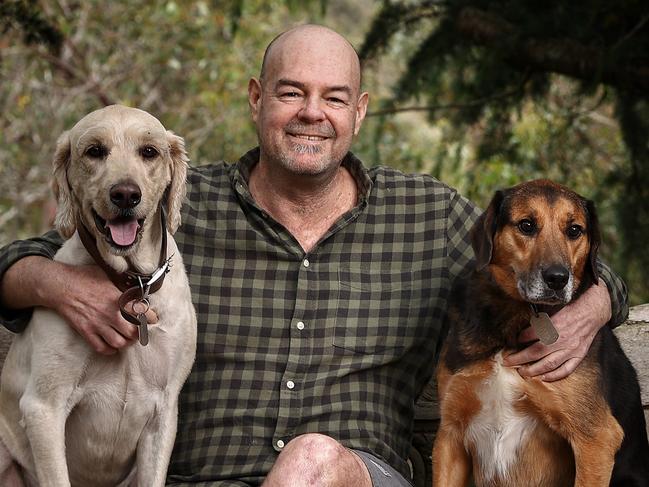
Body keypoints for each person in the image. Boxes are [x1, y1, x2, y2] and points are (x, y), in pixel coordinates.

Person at [0, 24, 628, 487]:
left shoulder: (429, 216)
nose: (311, 114)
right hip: (199, 479)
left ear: (358, 112)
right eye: (291, 92)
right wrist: (62, 287)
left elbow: (562, 256)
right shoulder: (178, 202)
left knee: (309, 463)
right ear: (257, 100)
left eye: (333, 98)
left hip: (352, 473)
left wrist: (592, 306)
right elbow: (22, 260)